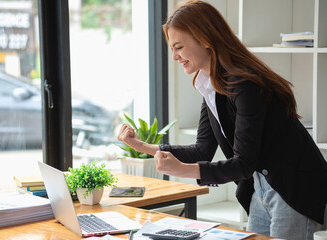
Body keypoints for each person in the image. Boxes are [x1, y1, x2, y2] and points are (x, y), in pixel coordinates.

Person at [117, 0, 327, 239]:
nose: (174, 56)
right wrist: (142, 147)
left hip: (293, 187)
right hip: (260, 186)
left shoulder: (246, 85)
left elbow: (243, 162)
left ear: (205, 39)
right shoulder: (209, 85)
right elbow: (202, 150)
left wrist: (183, 170)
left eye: (179, 47)